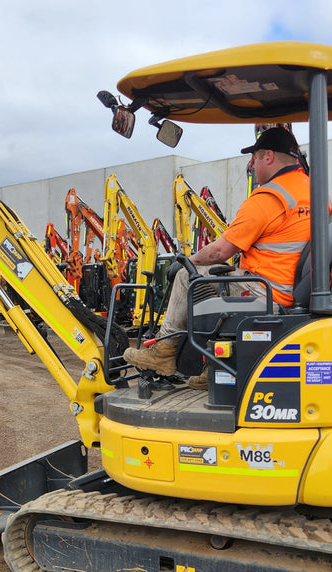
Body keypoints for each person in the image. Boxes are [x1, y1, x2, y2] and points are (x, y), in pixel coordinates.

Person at [123, 127, 311, 384]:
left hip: (270, 292)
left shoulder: (270, 196)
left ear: (268, 157)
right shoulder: (311, 191)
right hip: (294, 290)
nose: (252, 165)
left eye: (254, 158)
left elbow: (221, 250)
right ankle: (216, 365)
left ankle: (163, 353)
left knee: (187, 278)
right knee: (213, 285)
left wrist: (187, 262)